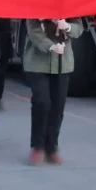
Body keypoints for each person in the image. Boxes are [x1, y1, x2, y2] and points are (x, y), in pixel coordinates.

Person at [23, 18, 84, 165]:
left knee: (58, 106)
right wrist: (50, 46)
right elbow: (34, 31)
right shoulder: (35, 8)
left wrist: (67, 26)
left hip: (63, 63)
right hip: (37, 63)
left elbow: (78, 28)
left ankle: (51, 147)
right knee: (41, 102)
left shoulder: (69, 9)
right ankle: (38, 146)